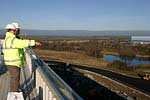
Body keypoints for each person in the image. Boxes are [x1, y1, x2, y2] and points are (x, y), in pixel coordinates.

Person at [2, 23, 41, 92]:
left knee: (15, 78)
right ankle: (14, 94)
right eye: (16, 30)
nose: (17, 31)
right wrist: (34, 43)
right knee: (15, 79)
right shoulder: (12, 39)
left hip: (11, 62)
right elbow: (22, 43)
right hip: (13, 63)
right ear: (13, 30)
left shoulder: (7, 38)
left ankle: (15, 90)